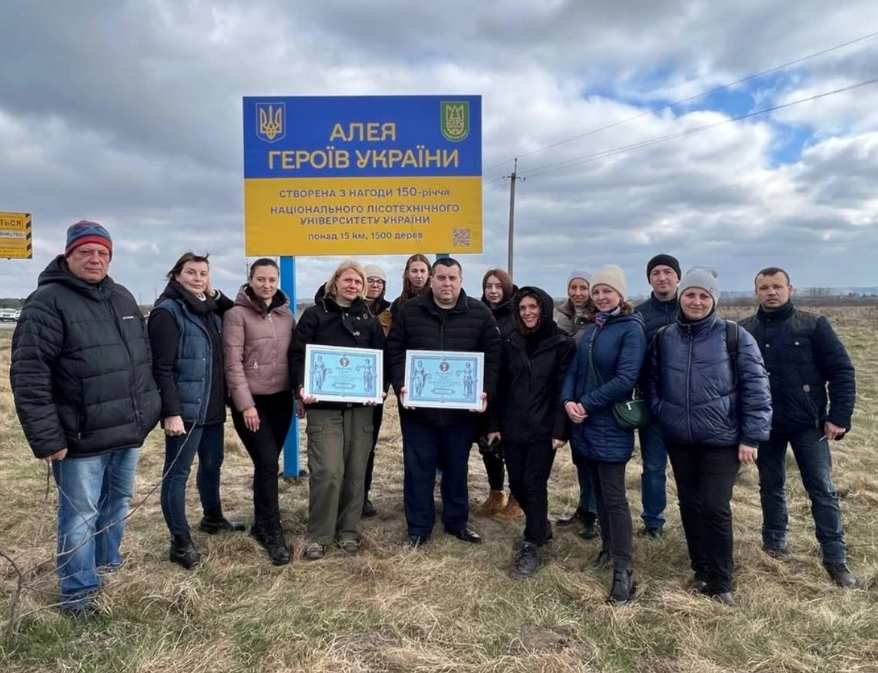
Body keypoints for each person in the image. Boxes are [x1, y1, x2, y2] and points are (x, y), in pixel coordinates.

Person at [10, 220, 161, 615]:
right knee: (80, 515)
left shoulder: (123, 298)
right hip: (79, 436)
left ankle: (106, 567)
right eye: (86, 252)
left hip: (126, 432)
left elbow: (141, 359)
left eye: (102, 253)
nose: (95, 259)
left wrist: (148, 413)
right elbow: (29, 374)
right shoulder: (47, 302)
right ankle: (78, 595)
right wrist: (48, 439)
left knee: (117, 503)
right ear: (68, 255)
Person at [646, 268, 771, 605]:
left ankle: (721, 580)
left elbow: (757, 388)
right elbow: (652, 383)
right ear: (680, 297)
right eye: (690, 294)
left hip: (722, 439)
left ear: (713, 300)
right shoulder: (664, 337)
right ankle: (700, 569)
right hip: (680, 439)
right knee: (690, 504)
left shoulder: (735, 336)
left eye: (704, 296)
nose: (696, 301)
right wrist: (662, 412)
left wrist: (752, 437)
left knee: (715, 506)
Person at [740, 268, 858, 588]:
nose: (771, 292)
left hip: (809, 424)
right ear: (756, 292)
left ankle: (836, 559)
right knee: (770, 486)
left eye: (777, 286)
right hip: (766, 427)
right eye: (764, 287)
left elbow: (842, 371)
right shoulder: (744, 330)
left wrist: (839, 417)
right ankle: (775, 545)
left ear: (790, 289)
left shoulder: (813, 325)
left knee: (822, 489)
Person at [386, 257, 501, 547]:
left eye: (452, 278)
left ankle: (456, 522)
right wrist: (402, 385)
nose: (446, 283)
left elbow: (493, 357)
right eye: (441, 278)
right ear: (431, 280)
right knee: (418, 468)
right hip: (418, 411)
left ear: (461, 281)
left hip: (460, 411)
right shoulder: (410, 311)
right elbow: (395, 350)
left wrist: (484, 390)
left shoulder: (480, 313)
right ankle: (419, 527)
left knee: (456, 466)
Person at [149, 252, 241, 571]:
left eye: (203, 273)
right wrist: (171, 412)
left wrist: (214, 294)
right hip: (185, 410)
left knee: (213, 464)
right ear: (176, 276)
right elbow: (161, 367)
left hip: (213, 406)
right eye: (191, 272)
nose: (198, 278)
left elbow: (234, 310)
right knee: (177, 474)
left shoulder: (210, 309)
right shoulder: (167, 311)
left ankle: (212, 518)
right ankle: (180, 540)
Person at [561, 265, 646, 605]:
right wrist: (567, 400)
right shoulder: (592, 329)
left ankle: (623, 570)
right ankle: (608, 550)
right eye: (596, 292)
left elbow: (626, 379)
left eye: (606, 291)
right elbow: (575, 369)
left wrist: (586, 403)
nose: (599, 296)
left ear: (620, 294)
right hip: (583, 423)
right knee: (595, 490)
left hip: (609, 422)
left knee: (613, 498)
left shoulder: (630, 329)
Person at [291, 260, 385, 560]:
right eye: (347, 280)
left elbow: (381, 358)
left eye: (358, 282)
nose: (353, 286)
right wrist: (301, 388)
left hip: (360, 408)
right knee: (328, 471)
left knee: (356, 472)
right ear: (335, 283)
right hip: (323, 407)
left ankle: (348, 531)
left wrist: (379, 388)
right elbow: (297, 355)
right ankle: (319, 534)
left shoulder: (368, 321)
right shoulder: (315, 316)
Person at [485, 287, 575, 578]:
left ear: (544, 308)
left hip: (543, 429)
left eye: (533, 307)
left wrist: (560, 429)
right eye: (522, 308)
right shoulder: (510, 341)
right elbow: (499, 386)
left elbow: (564, 389)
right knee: (519, 485)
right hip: (512, 428)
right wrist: (494, 424)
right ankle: (542, 526)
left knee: (534, 484)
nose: (528, 313)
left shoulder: (561, 343)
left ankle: (532, 543)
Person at [223, 258, 296, 566]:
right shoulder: (236, 315)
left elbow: (294, 357)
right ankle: (272, 532)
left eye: (271, 279)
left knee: (267, 465)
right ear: (250, 280)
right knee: (267, 463)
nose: (267, 285)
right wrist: (246, 405)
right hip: (252, 404)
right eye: (261, 279)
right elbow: (232, 363)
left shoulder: (286, 314)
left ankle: (260, 522)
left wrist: (299, 394)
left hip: (281, 402)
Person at [634, 253, 682, 538]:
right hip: (652, 403)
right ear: (649, 279)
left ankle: (694, 514)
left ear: (678, 276)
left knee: (691, 466)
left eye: (667, 272)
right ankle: (653, 521)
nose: (662, 277)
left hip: (688, 405)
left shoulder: (692, 306)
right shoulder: (640, 314)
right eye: (656, 273)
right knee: (653, 467)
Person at [553, 271, 598, 540]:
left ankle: (594, 513)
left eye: (583, 287)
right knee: (580, 457)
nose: (578, 292)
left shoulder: (597, 316)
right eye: (574, 287)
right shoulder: (562, 315)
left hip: (589, 392)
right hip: (567, 390)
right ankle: (583, 508)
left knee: (593, 458)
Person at [477, 268, 523, 520]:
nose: (493, 291)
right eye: (488, 286)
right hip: (485, 389)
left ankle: (516, 498)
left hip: (511, 392)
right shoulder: (478, 312)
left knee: (511, 446)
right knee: (488, 445)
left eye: (498, 286)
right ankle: (496, 493)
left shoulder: (517, 314)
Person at [361, 264, 391, 518]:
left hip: (376, 389)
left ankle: (363, 495)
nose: (375, 285)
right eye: (370, 280)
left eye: (380, 282)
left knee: (368, 445)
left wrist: (383, 386)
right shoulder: (346, 305)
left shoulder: (390, 312)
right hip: (347, 387)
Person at [389, 253, 431, 318]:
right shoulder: (397, 304)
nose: (419, 276)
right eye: (414, 271)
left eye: (422, 271)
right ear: (407, 274)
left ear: (429, 274)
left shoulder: (438, 300)